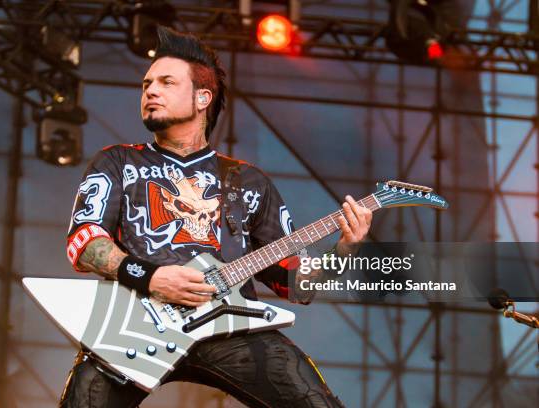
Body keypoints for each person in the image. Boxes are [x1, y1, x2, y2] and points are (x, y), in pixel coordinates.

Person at [61, 26, 372, 408]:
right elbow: (84, 241)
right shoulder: (117, 161)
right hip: (135, 325)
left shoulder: (249, 180)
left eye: (166, 82)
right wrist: (152, 277)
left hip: (234, 329)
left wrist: (345, 249)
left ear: (202, 97)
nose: (150, 91)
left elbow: (294, 284)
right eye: (146, 84)